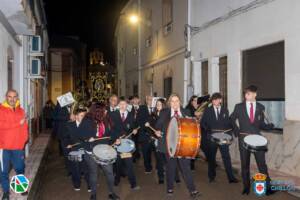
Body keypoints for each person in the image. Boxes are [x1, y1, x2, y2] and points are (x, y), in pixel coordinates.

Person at [230, 85, 275, 195]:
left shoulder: (260, 107)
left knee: (262, 165)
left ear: (255, 94)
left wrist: (269, 126)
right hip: (243, 139)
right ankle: (246, 187)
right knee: (245, 165)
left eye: (248, 93)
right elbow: (231, 119)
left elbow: (261, 124)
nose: (246, 95)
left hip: (257, 139)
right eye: (245, 93)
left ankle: (268, 188)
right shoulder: (239, 107)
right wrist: (237, 133)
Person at [155, 94, 200, 198]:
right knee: (171, 168)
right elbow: (158, 125)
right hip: (169, 145)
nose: (175, 103)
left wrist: (194, 119)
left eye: (177, 101)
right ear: (169, 103)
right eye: (172, 101)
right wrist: (157, 131)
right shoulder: (164, 112)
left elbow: (192, 126)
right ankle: (169, 189)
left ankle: (192, 190)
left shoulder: (186, 112)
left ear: (180, 102)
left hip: (184, 145)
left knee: (186, 168)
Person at [84, 103, 120, 200]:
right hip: (92, 152)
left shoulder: (106, 119)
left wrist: (116, 139)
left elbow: (112, 132)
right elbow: (81, 134)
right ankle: (93, 194)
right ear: (98, 112)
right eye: (104, 110)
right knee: (94, 173)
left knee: (109, 172)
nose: (106, 111)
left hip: (105, 151)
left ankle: (111, 192)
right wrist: (87, 138)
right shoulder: (87, 121)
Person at [201, 93, 238, 183]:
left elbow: (229, 123)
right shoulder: (208, 110)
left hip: (223, 138)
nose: (215, 101)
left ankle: (231, 178)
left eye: (217, 99)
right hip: (212, 138)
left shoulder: (225, 110)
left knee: (226, 157)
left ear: (220, 100)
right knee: (211, 158)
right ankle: (211, 176)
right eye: (213, 100)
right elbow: (202, 123)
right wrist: (208, 130)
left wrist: (232, 133)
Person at [0, 89, 29, 200]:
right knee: (3, 170)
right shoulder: (1, 110)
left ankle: (21, 187)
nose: (12, 99)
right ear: (6, 97)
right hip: (4, 146)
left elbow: (25, 126)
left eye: (14, 96)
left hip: (17, 146)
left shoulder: (21, 111)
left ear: (17, 98)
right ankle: (6, 192)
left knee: (20, 168)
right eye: (9, 96)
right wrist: (18, 123)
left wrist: (24, 140)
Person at [110, 98, 140, 190]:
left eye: (124, 104)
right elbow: (111, 129)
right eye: (121, 104)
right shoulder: (113, 115)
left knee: (129, 163)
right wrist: (116, 139)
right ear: (118, 105)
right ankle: (117, 179)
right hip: (117, 142)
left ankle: (133, 184)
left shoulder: (131, 115)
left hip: (127, 143)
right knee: (118, 163)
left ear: (127, 105)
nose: (123, 106)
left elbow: (134, 126)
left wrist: (135, 130)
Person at [64, 108, 90, 192]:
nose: (84, 117)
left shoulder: (88, 124)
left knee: (87, 168)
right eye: (82, 115)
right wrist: (67, 144)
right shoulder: (69, 125)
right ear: (76, 116)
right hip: (74, 149)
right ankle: (77, 184)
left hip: (85, 148)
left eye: (85, 115)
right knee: (76, 168)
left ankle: (90, 184)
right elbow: (65, 137)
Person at [132, 95, 154, 173]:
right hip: (144, 134)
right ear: (146, 100)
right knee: (145, 152)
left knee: (154, 153)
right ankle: (147, 167)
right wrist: (144, 123)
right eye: (149, 99)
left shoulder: (156, 108)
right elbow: (138, 120)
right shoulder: (142, 108)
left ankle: (156, 167)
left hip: (154, 135)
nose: (150, 101)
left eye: (152, 100)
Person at [185, 95, 199, 170]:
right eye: (194, 101)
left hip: (197, 131)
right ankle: (190, 164)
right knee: (191, 148)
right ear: (191, 101)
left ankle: (192, 162)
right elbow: (187, 120)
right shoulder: (188, 109)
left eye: (197, 101)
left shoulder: (199, 108)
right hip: (190, 131)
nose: (196, 102)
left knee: (195, 148)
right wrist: (195, 116)